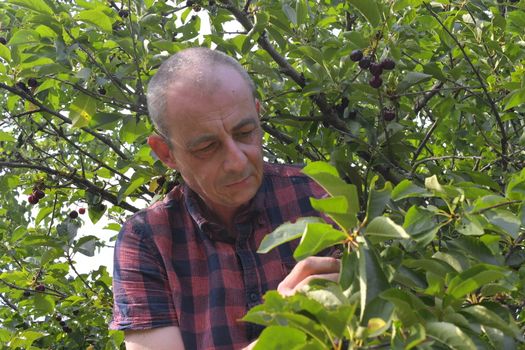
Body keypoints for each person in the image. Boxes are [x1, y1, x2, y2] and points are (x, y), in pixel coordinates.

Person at [110, 47, 340, 349]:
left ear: (258, 114)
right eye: (207, 148)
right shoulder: (146, 240)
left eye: (245, 132)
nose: (237, 162)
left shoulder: (318, 194)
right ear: (166, 153)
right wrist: (287, 329)